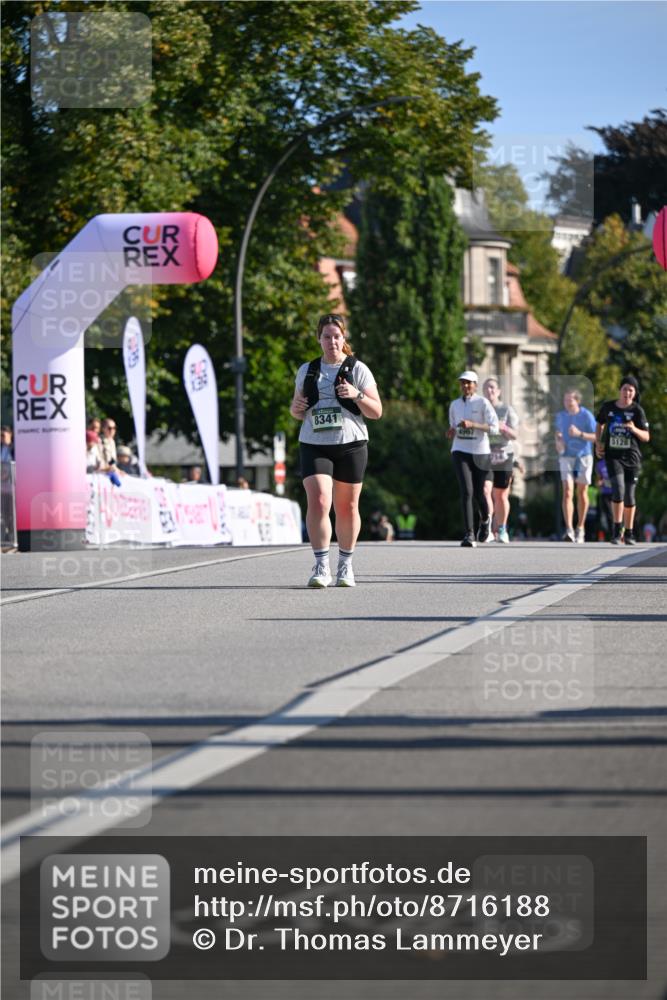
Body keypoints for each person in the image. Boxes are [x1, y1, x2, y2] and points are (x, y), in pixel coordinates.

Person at [290, 313, 382, 587]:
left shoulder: (358, 369)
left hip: (351, 443)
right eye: (327, 337)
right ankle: (321, 565)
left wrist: (357, 395)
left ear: (344, 339)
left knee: (347, 506)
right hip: (314, 443)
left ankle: (345, 564)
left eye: (337, 337)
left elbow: (377, 411)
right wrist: (295, 410)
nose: (332, 342)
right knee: (318, 501)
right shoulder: (307, 370)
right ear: (319, 339)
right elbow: (297, 409)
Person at [595, 375, 650, 545]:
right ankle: (616, 530)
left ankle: (629, 533)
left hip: (632, 458)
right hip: (613, 456)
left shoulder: (637, 411)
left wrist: (634, 429)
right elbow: (599, 423)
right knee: (618, 490)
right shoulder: (608, 407)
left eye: (631, 390)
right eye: (625, 389)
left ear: (634, 393)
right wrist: (599, 443)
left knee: (629, 496)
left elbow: (646, 437)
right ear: (620, 390)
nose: (627, 393)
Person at [447, 370, 499, 548]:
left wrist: (474, 424)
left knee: (479, 493)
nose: (465, 386)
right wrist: (452, 431)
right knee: (466, 492)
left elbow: (494, 428)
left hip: (480, 452)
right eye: (463, 383)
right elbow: (453, 425)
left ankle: (486, 520)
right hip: (460, 450)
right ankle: (469, 534)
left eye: (469, 383)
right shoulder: (454, 405)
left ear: (475, 385)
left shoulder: (483, 403)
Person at [554, 389, 596, 543]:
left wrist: (580, 434)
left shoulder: (586, 416)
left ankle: (581, 527)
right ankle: (569, 529)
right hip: (566, 457)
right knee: (567, 491)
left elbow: (597, 437)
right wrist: (558, 441)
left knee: (582, 491)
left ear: (577, 401)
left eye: (570, 400)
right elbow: (557, 435)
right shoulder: (561, 416)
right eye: (565, 400)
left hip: (584, 456)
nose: (567, 403)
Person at [482, 377, 519, 544]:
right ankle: (488, 528)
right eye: (487, 388)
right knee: (485, 490)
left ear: (498, 391)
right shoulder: (480, 409)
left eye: (492, 388)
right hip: (485, 455)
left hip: (504, 455)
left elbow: (515, 435)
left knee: (501, 495)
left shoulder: (506, 409)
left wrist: (503, 427)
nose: (489, 391)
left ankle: (502, 529)